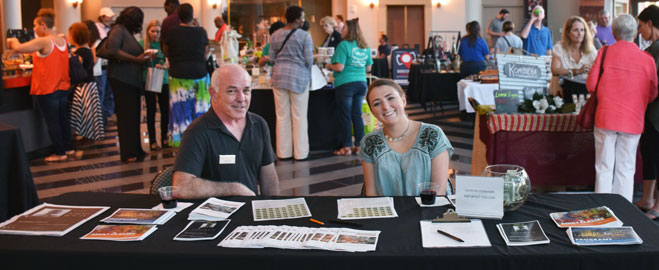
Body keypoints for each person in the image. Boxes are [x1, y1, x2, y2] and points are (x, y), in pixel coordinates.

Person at [172, 64, 279, 198]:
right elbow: (181, 187)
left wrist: (274, 208)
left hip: (250, 213)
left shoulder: (259, 124)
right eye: (232, 91)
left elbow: (268, 176)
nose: (241, 98)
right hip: (216, 216)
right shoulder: (197, 132)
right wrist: (233, 188)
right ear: (213, 94)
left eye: (246, 90)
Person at [586, 14, 658, 203]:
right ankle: (622, 211)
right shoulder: (647, 59)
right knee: (626, 168)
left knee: (603, 167)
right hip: (633, 120)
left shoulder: (605, 52)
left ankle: (602, 211)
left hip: (606, 118)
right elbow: (652, 94)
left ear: (614, 32)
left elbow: (591, 85)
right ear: (635, 33)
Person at [358, 79, 453, 196]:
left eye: (390, 98)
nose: (385, 107)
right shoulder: (370, 142)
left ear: (403, 100)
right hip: (388, 211)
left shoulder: (432, 134)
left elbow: (439, 192)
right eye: (377, 103)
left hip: (430, 209)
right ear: (372, 111)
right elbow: (371, 194)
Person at [6, 8, 73, 162]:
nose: (34, 29)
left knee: (53, 122)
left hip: (47, 88)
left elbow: (18, 48)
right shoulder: (62, 40)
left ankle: (59, 152)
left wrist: (13, 40)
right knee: (63, 119)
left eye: (35, 26)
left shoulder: (44, 40)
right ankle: (68, 148)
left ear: (43, 25)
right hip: (62, 87)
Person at [106, 6, 155, 162]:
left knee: (134, 115)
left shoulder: (126, 33)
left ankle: (136, 149)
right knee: (126, 116)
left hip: (130, 79)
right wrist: (137, 59)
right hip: (122, 78)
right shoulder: (118, 30)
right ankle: (128, 152)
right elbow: (113, 51)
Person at [162, 3, 211, 147]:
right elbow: (206, 52)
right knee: (200, 108)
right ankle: (201, 139)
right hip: (199, 74)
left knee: (180, 110)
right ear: (192, 14)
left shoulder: (171, 32)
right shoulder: (201, 31)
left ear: (178, 15)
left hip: (178, 75)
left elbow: (166, 51)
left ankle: (181, 141)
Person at [270, 6, 313, 160]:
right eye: (302, 17)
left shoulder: (275, 35)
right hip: (299, 78)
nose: (303, 19)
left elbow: (272, 58)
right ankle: (300, 153)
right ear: (296, 19)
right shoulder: (304, 36)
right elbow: (309, 61)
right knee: (299, 116)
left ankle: (283, 152)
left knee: (281, 116)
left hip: (279, 77)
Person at [325, 18, 373, 156]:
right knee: (356, 115)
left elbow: (339, 67)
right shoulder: (365, 46)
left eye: (344, 27)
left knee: (345, 116)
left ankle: (346, 146)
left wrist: (327, 65)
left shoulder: (344, 45)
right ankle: (359, 145)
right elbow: (368, 68)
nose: (341, 30)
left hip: (345, 84)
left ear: (350, 30)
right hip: (361, 83)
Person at [636, 5, 659, 220]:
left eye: (641, 26)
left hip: (656, 113)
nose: (639, 31)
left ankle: (657, 205)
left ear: (650, 24)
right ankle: (647, 198)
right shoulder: (653, 47)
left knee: (655, 156)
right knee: (650, 154)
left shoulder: (657, 48)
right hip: (651, 114)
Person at [67, 22, 105, 141]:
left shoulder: (79, 53)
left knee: (82, 112)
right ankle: (89, 134)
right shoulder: (88, 50)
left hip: (83, 86)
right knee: (90, 111)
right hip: (90, 84)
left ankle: (82, 134)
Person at [139, 20, 170, 150]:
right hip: (149, 77)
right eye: (153, 31)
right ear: (148, 31)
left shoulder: (164, 44)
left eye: (158, 31)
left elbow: (169, 61)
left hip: (163, 79)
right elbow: (138, 60)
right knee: (151, 110)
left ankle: (164, 138)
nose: (155, 34)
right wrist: (147, 59)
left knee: (165, 110)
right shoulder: (143, 44)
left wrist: (163, 66)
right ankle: (152, 140)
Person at [549, 16, 597, 96]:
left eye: (582, 30)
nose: (580, 34)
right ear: (568, 32)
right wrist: (577, 71)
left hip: (584, 93)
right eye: (575, 30)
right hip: (561, 94)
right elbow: (555, 70)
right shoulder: (559, 48)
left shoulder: (591, 50)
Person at [95, 7, 115, 129]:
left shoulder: (111, 29)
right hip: (100, 65)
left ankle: (107, 116)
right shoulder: (97, 29)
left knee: (109, 92)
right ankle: (101, 119)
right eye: (108, 16)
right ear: (102, 17)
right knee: (101, 92)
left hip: (110, 64)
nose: (110, 19)